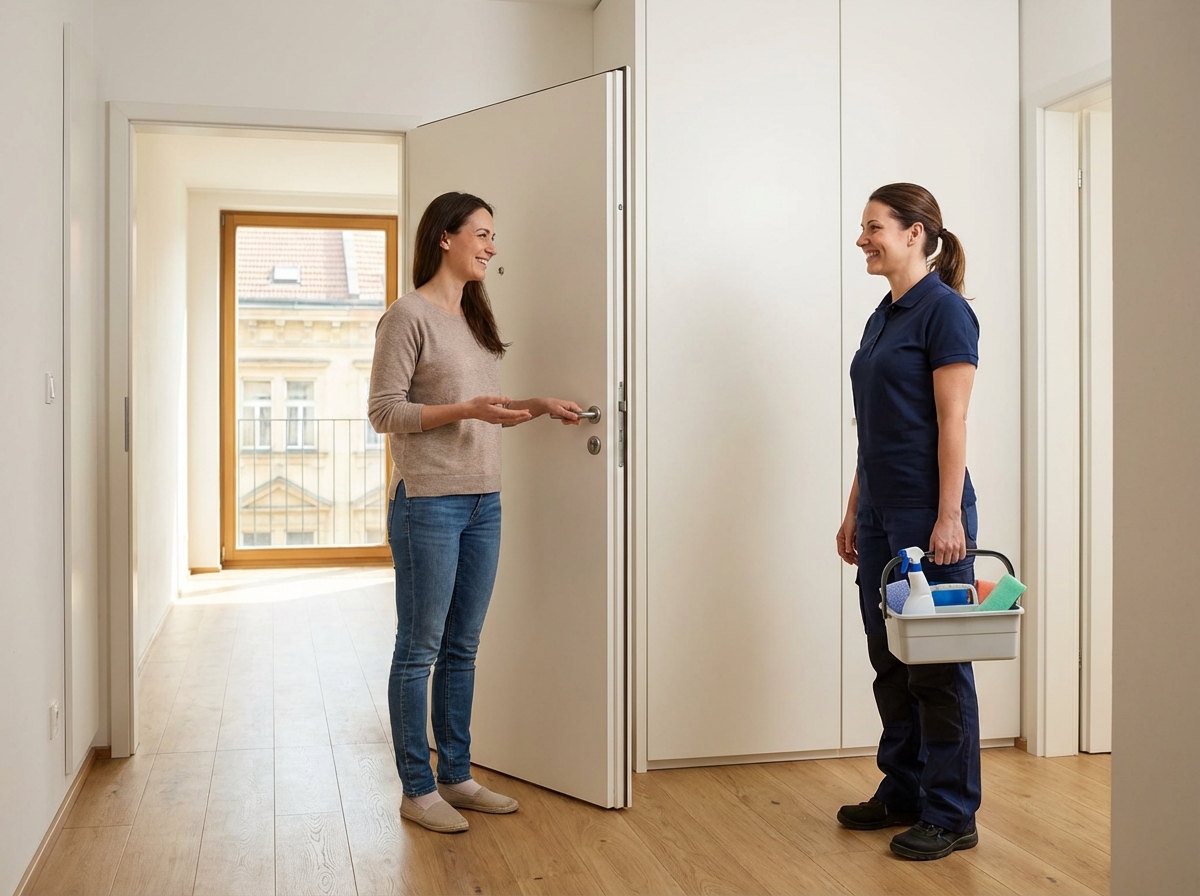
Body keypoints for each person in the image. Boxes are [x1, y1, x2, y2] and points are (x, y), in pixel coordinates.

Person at [368, 191, 582, 833]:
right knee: (419, 649)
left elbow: (477, 403)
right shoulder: (407, 317)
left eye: (492, 236)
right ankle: (416, 787)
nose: (492, 246)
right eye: (482, 234)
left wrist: (533, 404)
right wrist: (465, 412)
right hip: (427, 503)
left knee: (462, 646)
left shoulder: (475, 316)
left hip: (483, 499)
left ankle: (455, 776)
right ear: (445, 238)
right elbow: (384, 412)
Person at [835, 182, 983, 861]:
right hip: (882, 513)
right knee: (889, 657)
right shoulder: (882, 315)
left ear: (916, 233)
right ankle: (904, 787)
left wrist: (949, 516)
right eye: (863, 228)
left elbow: (952, 421)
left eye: (874, 227)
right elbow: (875, 428)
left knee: (938, 667)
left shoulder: (944, 312)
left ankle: (952, 813)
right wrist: (855, 506)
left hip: (931, 513)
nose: (863, 239)